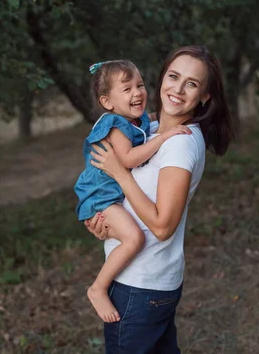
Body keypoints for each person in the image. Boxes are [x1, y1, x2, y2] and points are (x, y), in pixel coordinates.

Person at [84, 45, 233, 353]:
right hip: (148, 281)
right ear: (162, 77)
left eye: (191, 83)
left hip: (139, 285)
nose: (177, 89)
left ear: (204, 96)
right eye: (173, 76)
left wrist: (121, 173)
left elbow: (163, 226)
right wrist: (105, 227)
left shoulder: (180, 143)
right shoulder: (149, 128)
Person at [74, 60, 192, 323]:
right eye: (127, 89)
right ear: (107, 102)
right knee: (133, 239)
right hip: (100, 198)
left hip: (105, 198)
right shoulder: (115, 126)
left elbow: (144, 124)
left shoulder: (131, 120)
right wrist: (163, 137)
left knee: (125, 236)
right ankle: (98, 288)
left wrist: (158, 120)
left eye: (139, 85)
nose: (137, 92)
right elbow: (128, 159)